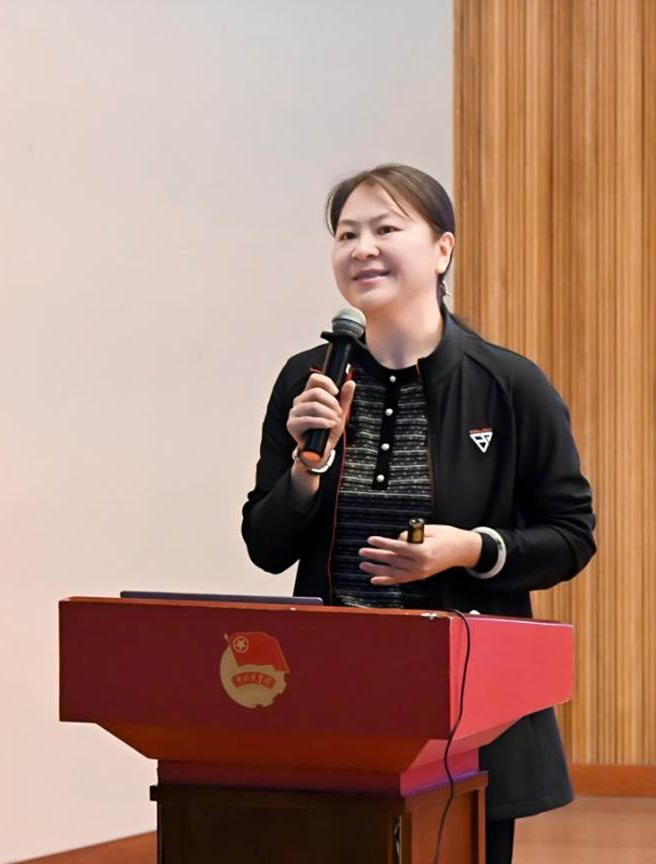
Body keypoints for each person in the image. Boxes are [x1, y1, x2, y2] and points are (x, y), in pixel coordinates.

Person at [241, 163, 596, 864]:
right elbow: (265, 544)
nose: (362, 248)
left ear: (441, 250)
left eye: (385, 228)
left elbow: (570, 535)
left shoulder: (509, 384)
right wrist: (308, 470)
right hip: (332, 698)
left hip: (462, 709)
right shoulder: (308, 380)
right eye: (347, 234)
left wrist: (469, 548)